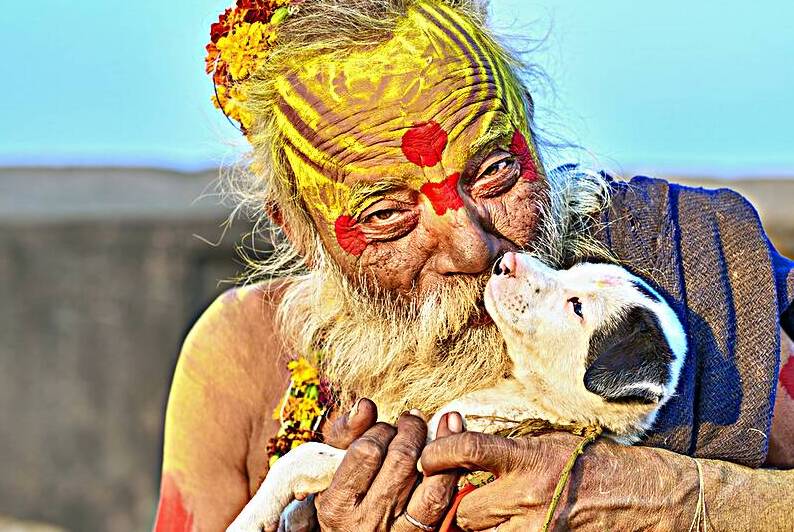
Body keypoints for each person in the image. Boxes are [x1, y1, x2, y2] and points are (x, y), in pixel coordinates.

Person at [154, 0, 794, 530]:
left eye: (493, 172)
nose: (471, 249)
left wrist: (684, 501)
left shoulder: (691, 278)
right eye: (385, 213)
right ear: (297, 227)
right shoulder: (242, 359)